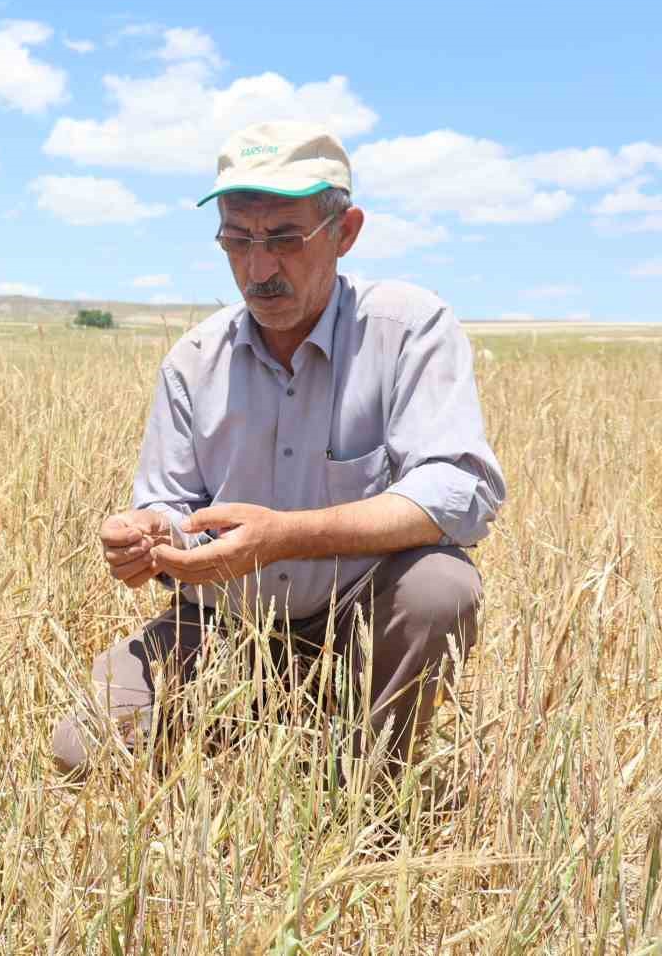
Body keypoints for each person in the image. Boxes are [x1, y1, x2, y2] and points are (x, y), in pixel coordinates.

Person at [51, 120, 505, 780]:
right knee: (82, 751)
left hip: (359, 626)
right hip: (224, 630)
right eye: (237, 241)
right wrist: (149, 540)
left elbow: (458, 495)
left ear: (345, 232)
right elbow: (172, 509)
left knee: (440, 586)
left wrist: (283, 538)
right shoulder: (193, 362)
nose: (258, 269)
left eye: (284, 240)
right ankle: (252, 742)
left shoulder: (410, 328)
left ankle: (373, 789)